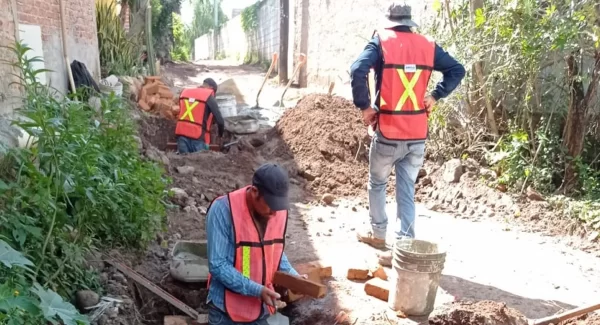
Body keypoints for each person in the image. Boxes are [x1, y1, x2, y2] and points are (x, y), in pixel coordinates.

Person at [350, 3, 465, 265]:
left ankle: (378, 234)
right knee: (406, 189)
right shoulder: (428, 44)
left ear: (389, 21)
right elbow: (457, 69)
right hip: (417, 134)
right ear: (410, 22)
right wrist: (435, 95)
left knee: (378, 183)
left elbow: (357, 69)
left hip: (388, 132)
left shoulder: (381, 41)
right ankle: (403, 249)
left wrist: (365, 107)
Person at [205, 163, 303, 325]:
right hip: (226, 312)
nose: (274, 213)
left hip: (260, 310)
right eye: (270, 204)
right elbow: (218, 265)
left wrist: (294, 277)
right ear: (255, 192)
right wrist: (256, 290)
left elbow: (275, 250)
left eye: (278, 206)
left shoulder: (276, 211)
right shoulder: (223, 210)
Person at [175, 78, 225, 154]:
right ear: (212, 88)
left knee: (184, 162)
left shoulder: (185, 92)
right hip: (197, 138)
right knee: (199, 163)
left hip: (181, 136)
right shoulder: (209, 97)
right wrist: (220, 136)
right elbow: (220, 121)